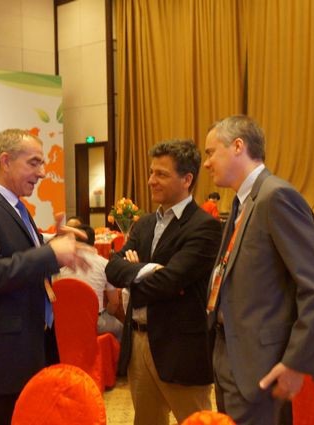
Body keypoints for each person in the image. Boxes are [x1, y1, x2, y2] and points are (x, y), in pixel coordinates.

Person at [203, 115, 314, 425]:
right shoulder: (242, 202)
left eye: (210, 152)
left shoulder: (276, 196)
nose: (206, 163)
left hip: (260, 365)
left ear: (238, 146)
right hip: (230, 354)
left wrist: (296, 363)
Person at [0, 129, 89, 425]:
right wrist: (50, 254)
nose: (42, 172)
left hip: (28, 347)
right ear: (5, 161)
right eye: (34, 163)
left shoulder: (14, 206)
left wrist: (52, 244)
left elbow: (17, 253)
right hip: (1, 361)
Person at [105, 139, 222, 425]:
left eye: (161, 174)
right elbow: (112, 268)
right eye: (151, 172)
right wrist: (149, 270)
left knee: (196, 421)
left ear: (187, 179)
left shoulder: (204, 226)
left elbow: (169, 281)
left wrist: (133, 274)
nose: (151, 181)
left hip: (180, 348)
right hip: (138, 344)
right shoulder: (144, 224)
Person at [57, 223, 123, 340]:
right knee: (121, 329)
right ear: (94, 242)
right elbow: (115, 303)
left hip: (65, 323)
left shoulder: (60, 264)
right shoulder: (104, 264)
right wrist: (106, 314)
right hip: (95, 322)